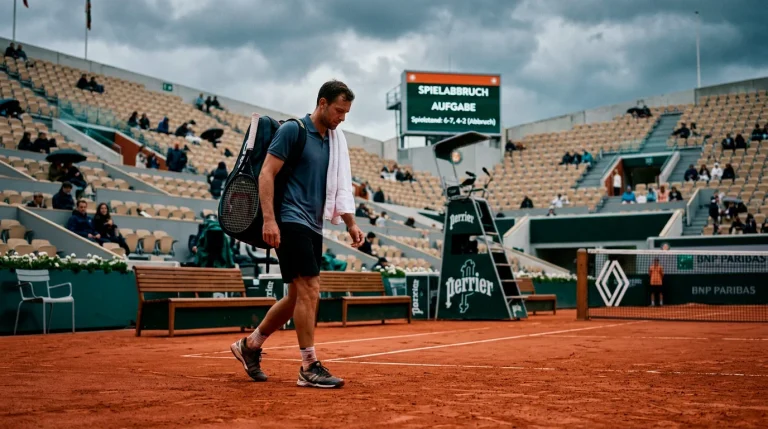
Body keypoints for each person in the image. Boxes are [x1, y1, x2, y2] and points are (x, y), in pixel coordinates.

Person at [229, 80, 362, 389]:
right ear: (322, 103)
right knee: (310, 288)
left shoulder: (333, 141)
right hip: (290, 220)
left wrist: (351, 222)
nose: (342, 118)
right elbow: (267, 173)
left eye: (346, 113)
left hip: (313, 225)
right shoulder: (293, 130)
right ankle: (309, 365)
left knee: (295, 297)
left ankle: (250, 345)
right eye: (339, 111)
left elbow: (338, 186)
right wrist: (270, 220)